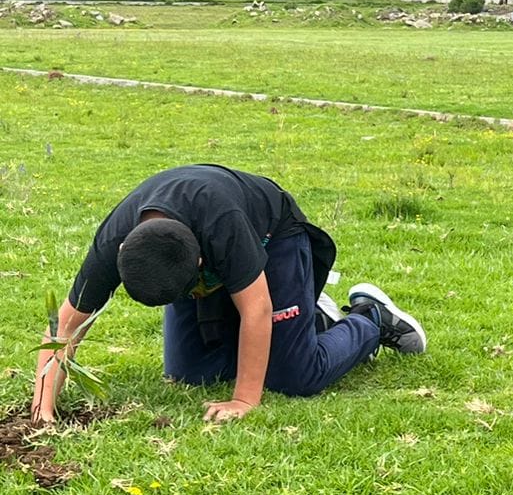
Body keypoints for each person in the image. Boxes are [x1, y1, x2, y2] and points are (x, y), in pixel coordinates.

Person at [30, 164, 425, 424]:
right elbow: (64, 325)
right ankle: (308, 320)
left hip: (274, 239)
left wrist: (244, 400)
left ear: (200, 262)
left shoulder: (223, 224)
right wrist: (43, 406)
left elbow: (256, 309)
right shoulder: (116, 242)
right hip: (193, 252)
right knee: (190, 373)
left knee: (294, 376)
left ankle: (370, 318)